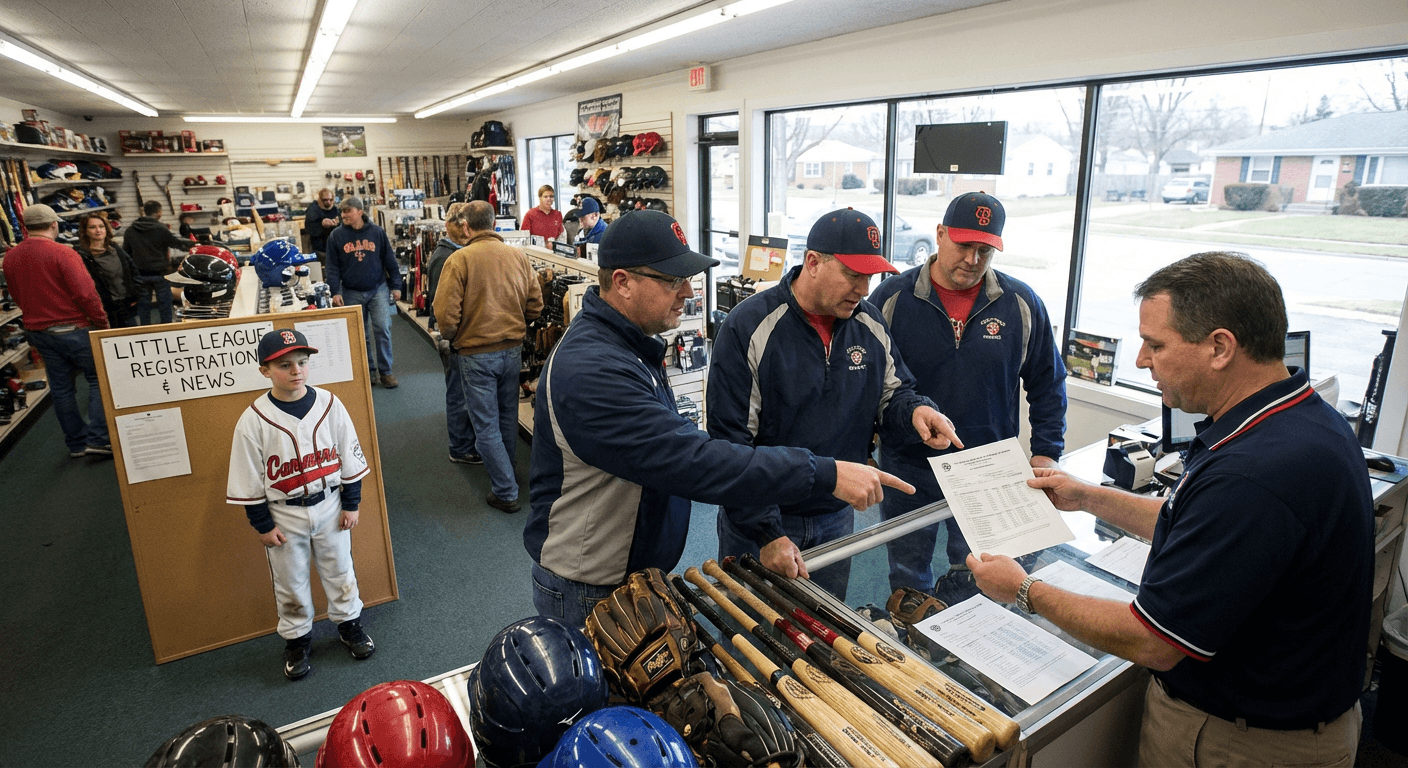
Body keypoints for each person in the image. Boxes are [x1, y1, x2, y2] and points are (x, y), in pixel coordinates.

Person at [969, 252, 1372, 767]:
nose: (1141, 360)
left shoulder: (1252, 473)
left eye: (1156, 344)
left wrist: (1023, 588)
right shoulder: (1298, 418)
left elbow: (1154, 640)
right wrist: (1086, 495)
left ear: (1220, 347)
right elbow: (1196, 522)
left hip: (1244, 744)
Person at [525, 210, 919, 626]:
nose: (689, 292)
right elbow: (692, 460)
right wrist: (822, 475)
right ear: (622, 282)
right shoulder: (593, 369)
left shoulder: (629, 344)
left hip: (627, 569)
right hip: (591, 585)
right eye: (673, 280)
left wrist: (911, 413)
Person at [710, 208, 961, 599]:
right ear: (813, 262)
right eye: (852, 274)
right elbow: (730, 445)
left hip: (837, 513)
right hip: (766, 517)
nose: (863, 288)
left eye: (870, 276)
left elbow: (895, 394)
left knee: (824, 632)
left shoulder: (870, 324)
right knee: (749, 633)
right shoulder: (749, 327)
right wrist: (767, 532)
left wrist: (916, 411)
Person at [869, 192, 1066, 600]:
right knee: (909, 575)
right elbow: (867, 383)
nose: (972, 260)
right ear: (940, 235)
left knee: (983, 576)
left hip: (987, 468)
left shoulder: (1021, 304)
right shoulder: (890, 300)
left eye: (984, 250)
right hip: (910, 466)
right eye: (963, 245)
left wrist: (1046, 452)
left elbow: (1048, 382)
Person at [226, 328, 377, 681]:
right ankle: (297, 639)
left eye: (303, 362)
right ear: (265, 369)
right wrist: (262, 524)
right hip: (284, 512)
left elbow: (349, 460)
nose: (296, 371)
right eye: (285, 364)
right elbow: (249, 481)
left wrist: (351, 504)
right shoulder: (253, 420)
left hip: (330, 504)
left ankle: (349, 624)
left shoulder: (330, 403)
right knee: (290, 581)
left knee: (340, 569)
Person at [433, 200, 544, 512]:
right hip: (512, 350)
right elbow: (535, 305)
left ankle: (506, 491)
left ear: (466, 226)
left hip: (475, 352)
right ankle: (508, 475)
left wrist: (454, 337)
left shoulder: (459, 259)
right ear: (495, 223)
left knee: (486, 424)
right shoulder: (518, 256)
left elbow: (446, 314)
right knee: (507, 418)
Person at [1, 204, 111, 458]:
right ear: (54, 225)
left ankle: (76, 444)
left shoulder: (11, 257)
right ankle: (98, 438)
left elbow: (17, 296)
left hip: (39, 331)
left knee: (61, 388)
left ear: (27, 227)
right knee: (98, 379)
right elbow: (85, 294)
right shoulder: (64, 252)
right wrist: (102, 323)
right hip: (74, 328)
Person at [326, 196, 403, 388]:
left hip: (378, 289)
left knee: (382, 328)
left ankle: (386, 372)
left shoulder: (377, 232)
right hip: (351, 291)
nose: (343, 215)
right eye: (342, 211)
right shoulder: (336, 236)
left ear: (359, 212)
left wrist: (396, 285)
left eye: (347, 211)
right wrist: (335, 291)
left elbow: (390, 261)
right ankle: (369, 371)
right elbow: (332, 267)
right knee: (360, 334)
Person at [426, 202, 477, 465]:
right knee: (458, 393)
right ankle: (460, 448)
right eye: (462, 224)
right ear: (451, 226)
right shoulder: (445, 258)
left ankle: (465, 442)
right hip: (453, 337)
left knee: (462, 391)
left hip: (458, 334)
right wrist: (450, 337)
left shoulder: (459, 253)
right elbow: (441, 304)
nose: (467, 230)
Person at [123, 200, 194, 325]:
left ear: (144, 212)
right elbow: (176, 244)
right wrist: (194, 244)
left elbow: (126, 254)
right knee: (165, 304)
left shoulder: (130, 230)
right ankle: (166, 331)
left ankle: (145, 330)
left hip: (140, 274)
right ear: (159, 212)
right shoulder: (161, 229)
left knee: (143, 305)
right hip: (161, 273)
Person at [75, 213, 139, 328]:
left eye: (101, 226)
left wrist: (136, 294)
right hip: (104, 310)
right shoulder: (82, 256)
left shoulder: (116, 249)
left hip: (126, 306)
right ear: (85, 231)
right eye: (92, 227)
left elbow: (133, 271)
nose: (98, 230)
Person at [304, 188, 339, 258]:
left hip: (334, 248)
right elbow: (310, 229)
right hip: (320, 249)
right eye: (325, 200)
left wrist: (338, 222)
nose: (328, 202)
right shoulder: (313, 210)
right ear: (319, 199)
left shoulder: (334, 209)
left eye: (330, 200)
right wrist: (322, 225)